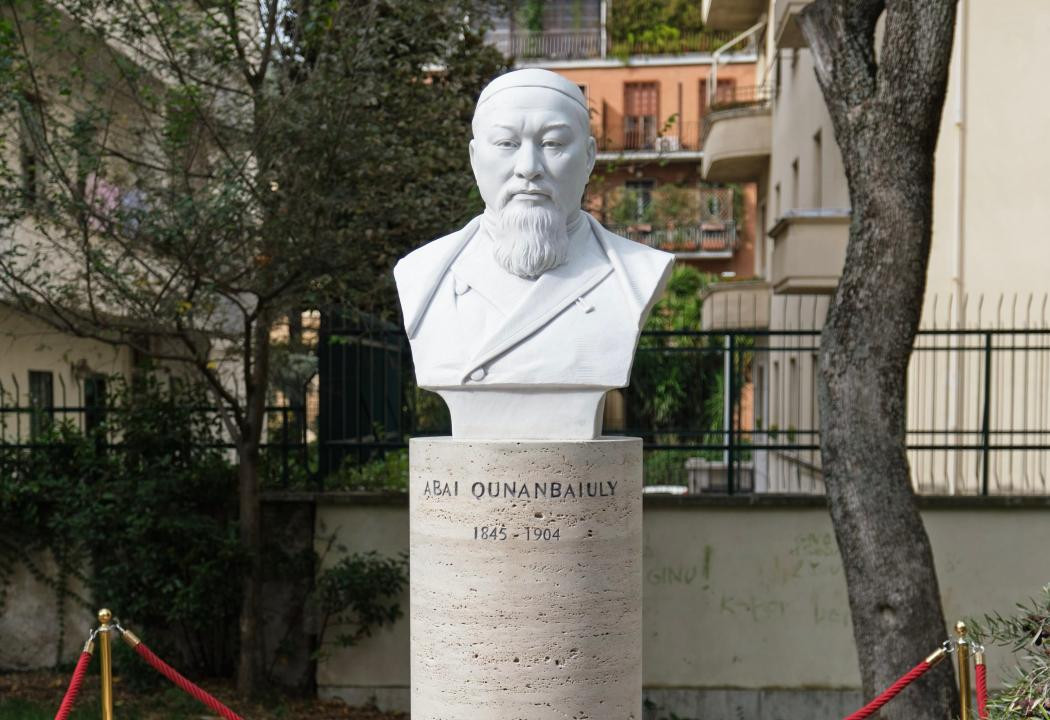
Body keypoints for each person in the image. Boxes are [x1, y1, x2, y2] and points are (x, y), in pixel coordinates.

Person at [394, 68, 673, 439]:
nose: (528, 168)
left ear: (589, 158)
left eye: (553, 143)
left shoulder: (636, 274)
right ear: (475, 159)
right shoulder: (422, 274)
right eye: (507, 144)